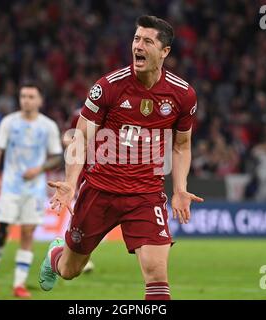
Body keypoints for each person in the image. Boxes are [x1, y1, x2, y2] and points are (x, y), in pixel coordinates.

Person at [39, 15, 203, 300]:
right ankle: (55, 253)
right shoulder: (109, 86)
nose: (138, 46)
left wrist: (179, 189)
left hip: (145, 195)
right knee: (69, 269)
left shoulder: (183, 94)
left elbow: (182, 146)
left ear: (164, 52)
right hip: (100, 191)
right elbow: (81, 137)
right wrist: (69, 182)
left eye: (147, 41)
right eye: (136, 39)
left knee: (156, 273)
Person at [0, 83, 63, 298]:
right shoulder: (9, 122)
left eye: (31, 96)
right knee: (1, 233)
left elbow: (56, 156)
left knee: (27, 233)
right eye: (23, 96)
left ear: (40, 100)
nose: (26, 100)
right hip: (10, 186)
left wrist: (39, 168)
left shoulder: (48, 126)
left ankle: (19, 284)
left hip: (34, 189)